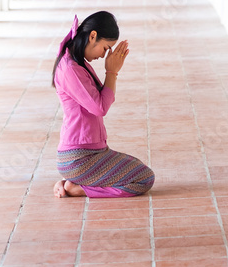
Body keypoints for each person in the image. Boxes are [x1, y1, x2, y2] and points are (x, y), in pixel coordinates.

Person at [51, 12, 155, 198]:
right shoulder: (70, 69)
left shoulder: (78, 63)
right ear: (93, 36)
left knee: (138, 168)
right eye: (106, 47)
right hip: (79, 157)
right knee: (143, 179)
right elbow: (100, 107)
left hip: (93, 151)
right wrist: (112, 72)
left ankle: (75, 181)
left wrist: (111, 71)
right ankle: (78, 188)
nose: (105, 54)